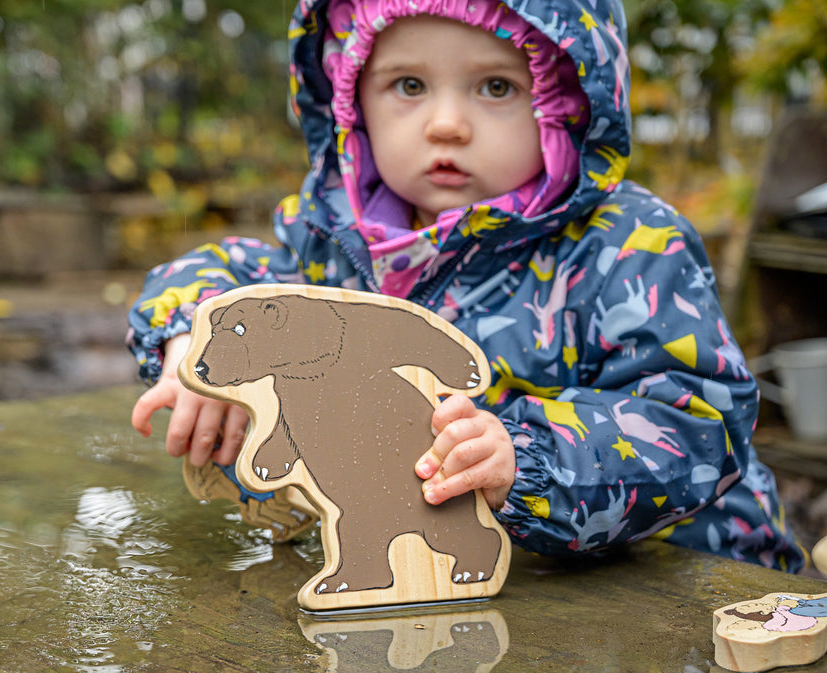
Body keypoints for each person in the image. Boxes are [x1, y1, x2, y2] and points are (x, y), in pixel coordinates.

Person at [127, 0, 806, 571]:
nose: (446, 122)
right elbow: (223, 272)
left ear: (565, 103)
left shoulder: (629, 241)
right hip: (470, 579)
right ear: (351, 100)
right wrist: (191, 340)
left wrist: (527, 458)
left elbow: (695, 418)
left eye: (496, 87)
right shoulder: (335, 237)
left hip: (684, 576)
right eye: (409, 86)